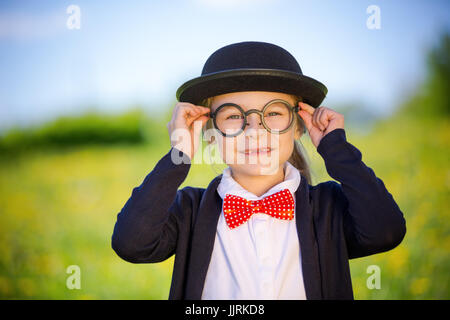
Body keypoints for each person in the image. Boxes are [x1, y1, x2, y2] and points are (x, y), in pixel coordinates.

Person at [111, 41, 406, 300]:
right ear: (209, 130)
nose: (254, 130)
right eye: (234, 115)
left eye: (274, 112)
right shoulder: (190, 211)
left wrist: (336, 149)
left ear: (299, 125)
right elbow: (131, 244)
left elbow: (386, 231)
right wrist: (179, 154)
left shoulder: (329, 208)